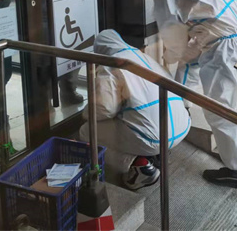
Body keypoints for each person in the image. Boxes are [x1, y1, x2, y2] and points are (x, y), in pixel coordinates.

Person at [135, 0, 237, 188]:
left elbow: (173, 38)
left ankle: (236, 171)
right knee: (187, 64)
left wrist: (167, 58)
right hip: (229, 24)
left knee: (219, 107)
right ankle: (180, 109)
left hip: (221, 41)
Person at [79, 30, 191, 190]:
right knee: (134, 112)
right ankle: (156, 154)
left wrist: (85, 113)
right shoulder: (145, 58)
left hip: (155, 137)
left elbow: (104, 108)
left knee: (87, 131)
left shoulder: (111, 65)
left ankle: (140, 166)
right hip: (182, 127)